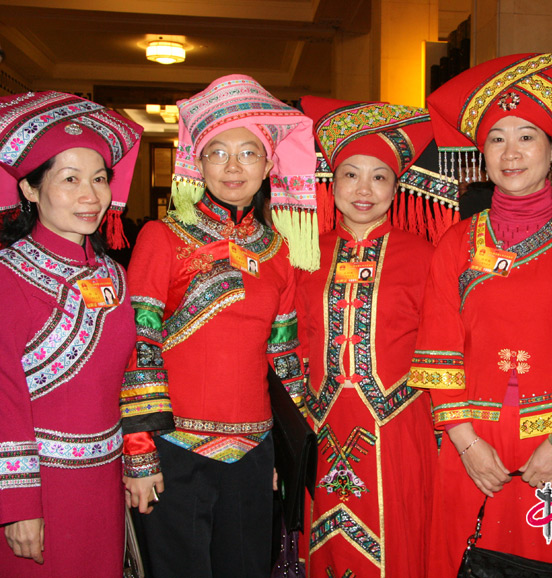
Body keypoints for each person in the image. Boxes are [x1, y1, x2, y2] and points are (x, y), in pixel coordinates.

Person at [409, 53, 552, 577]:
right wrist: (465, 443)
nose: (510, 152)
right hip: (472, 448)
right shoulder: (456, 242)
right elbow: (438, 346)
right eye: (496, 138)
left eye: (526, 136)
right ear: (480, 153)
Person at [119, 74, 318, 578]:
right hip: (173, 451)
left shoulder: (277, 251)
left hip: (253, 454)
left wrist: (288, 449)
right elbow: (140, 348)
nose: (234, 167)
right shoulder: (162, 238)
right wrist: (139, 454)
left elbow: (285, 359)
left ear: (269, 163)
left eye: (249, 153)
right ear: (197, 160)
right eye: (218, 152)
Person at [297, 95, 458, 577]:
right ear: (333, 181)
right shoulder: (303, 253)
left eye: (379, 176)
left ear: (397, 186)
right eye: (351, 174)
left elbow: (446, 346)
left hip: (400, 427)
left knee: (401, 542)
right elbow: (286, 342)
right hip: (320, 426)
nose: (363, 189)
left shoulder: (429, 255)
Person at [0, 91, 142, 576]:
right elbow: (5, 397)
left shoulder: (116, 276)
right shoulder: (7, 275)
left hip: (104, 484)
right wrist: (19, 504)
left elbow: (133, 375)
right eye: (70, 180)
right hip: (39, 488)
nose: (91, 195)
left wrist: (139, 466)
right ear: (30, 190)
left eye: (99, 179)